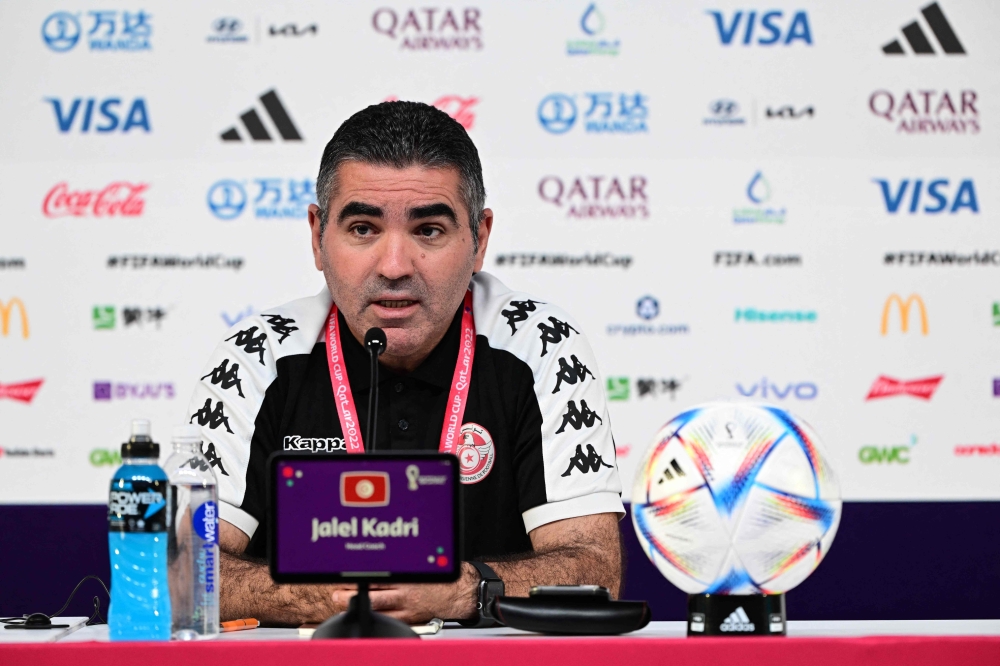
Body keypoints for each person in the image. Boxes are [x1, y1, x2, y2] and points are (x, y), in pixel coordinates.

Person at [188, 101, 624, 626]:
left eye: (429, 231)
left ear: (479, 239)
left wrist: (461, 590)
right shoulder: (258, 356)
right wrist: (325, 597)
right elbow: (183, 568)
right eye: (364, 229)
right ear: (317, 236)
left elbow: (597, 572)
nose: (394, 267)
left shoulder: (541, 347)